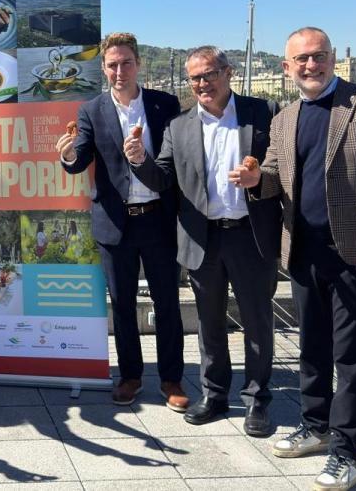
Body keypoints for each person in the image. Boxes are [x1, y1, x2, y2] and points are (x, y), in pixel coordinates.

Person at [235, 27, 356, 490]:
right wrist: (255, 180)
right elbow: (274, 176)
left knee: (352, 355)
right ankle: (315, 426)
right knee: (311, 348)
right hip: (303, 250)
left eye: (318, 56)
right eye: (301, 59)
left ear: (333, 58)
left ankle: (346, 452)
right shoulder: (284, 118)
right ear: (286, 67)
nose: (310, 65)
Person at [127, 46, 281, 436]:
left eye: (209, 74)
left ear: (228, 72)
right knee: (209, 323)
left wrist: (260, 178)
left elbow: (282, 164)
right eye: (195, 77)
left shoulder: (263, 112)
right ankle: (214, 395)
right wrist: (139, 160)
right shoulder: (178, 126)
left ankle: (257, 401)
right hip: (202, 238)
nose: (202, 83)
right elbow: (162, 178)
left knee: (257, 322)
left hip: (250, 235)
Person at [56, 32, 188, 412]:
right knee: (123, 305)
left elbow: (175, 162)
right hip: (116, 224)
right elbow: (80, 160)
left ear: (138, 64)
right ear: (103, 68)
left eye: (126, 63)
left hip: (158, 221)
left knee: (168, 302)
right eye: (112, 65)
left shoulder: (165, 105)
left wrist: (144, 156)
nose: (119, 71)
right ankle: (130, 376)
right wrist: (68, 156)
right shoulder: (91, 110)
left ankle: (171, 379)